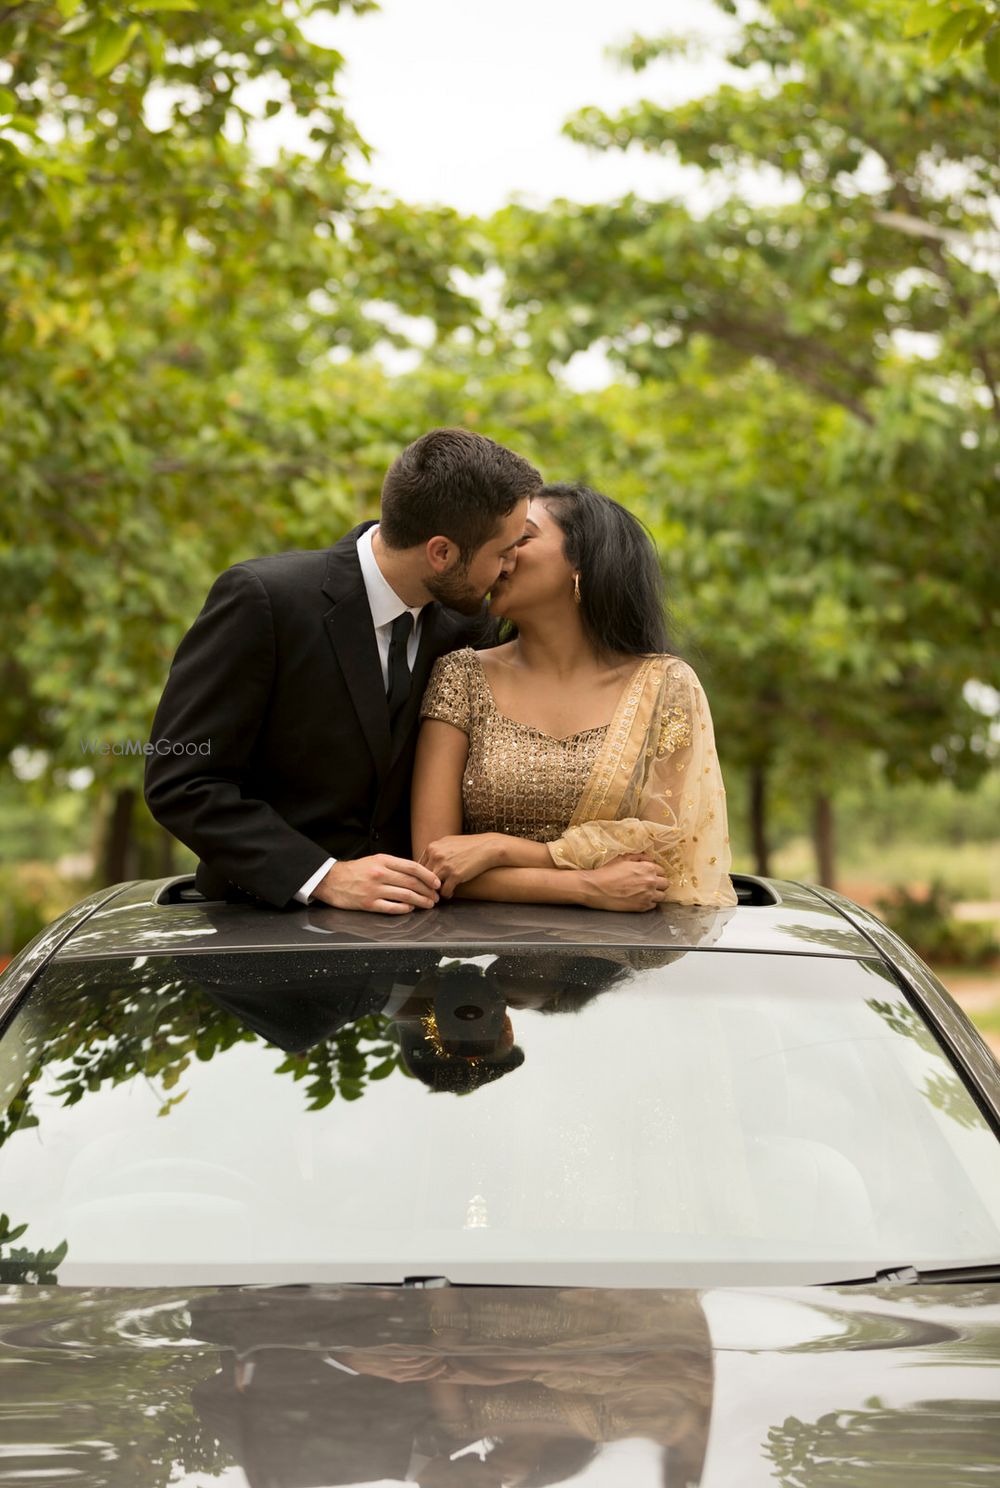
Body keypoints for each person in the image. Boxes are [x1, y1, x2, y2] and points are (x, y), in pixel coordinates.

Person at [143, 428, 541, 910]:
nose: (511, 566)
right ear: (441, 552)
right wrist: (322, 876)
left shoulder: (466, 624)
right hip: (259, 936)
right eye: (503, 551)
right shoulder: (264, 601)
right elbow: (181, 780)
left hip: (420, 941)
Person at [411, 482, 737, 912]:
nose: (501, 554)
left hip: (619, 964)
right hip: (480, 952)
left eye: (521, 538)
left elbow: (665, 853)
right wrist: (587, 887)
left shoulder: (664, 686)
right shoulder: (462, 676)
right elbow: (436, 861)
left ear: (582, 560)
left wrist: (499, 848)